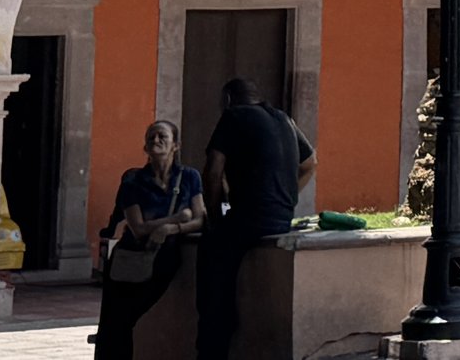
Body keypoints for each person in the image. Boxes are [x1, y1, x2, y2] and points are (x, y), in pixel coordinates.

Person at [199, 79, 315, 360]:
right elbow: (310, 164)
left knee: (211, 263)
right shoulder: (284, 119)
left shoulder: (233, 115)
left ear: (228, 99)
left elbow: (213, 172)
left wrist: (214, 217)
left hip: (250, 217)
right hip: (281, 217)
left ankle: (212, 344)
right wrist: (287, 195)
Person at [93, 120, 204, 360]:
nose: (156, 140)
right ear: (144, 146)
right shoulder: (132, 181)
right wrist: (175, 217)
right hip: (128, 260)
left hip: (162, 261)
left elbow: (200, 219)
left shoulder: (189, 177)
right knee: (115, 324)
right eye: (151, 137)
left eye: (162, 136)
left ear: (176, 145)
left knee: (129, 319)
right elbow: (138, 228)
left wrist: (173, 228)